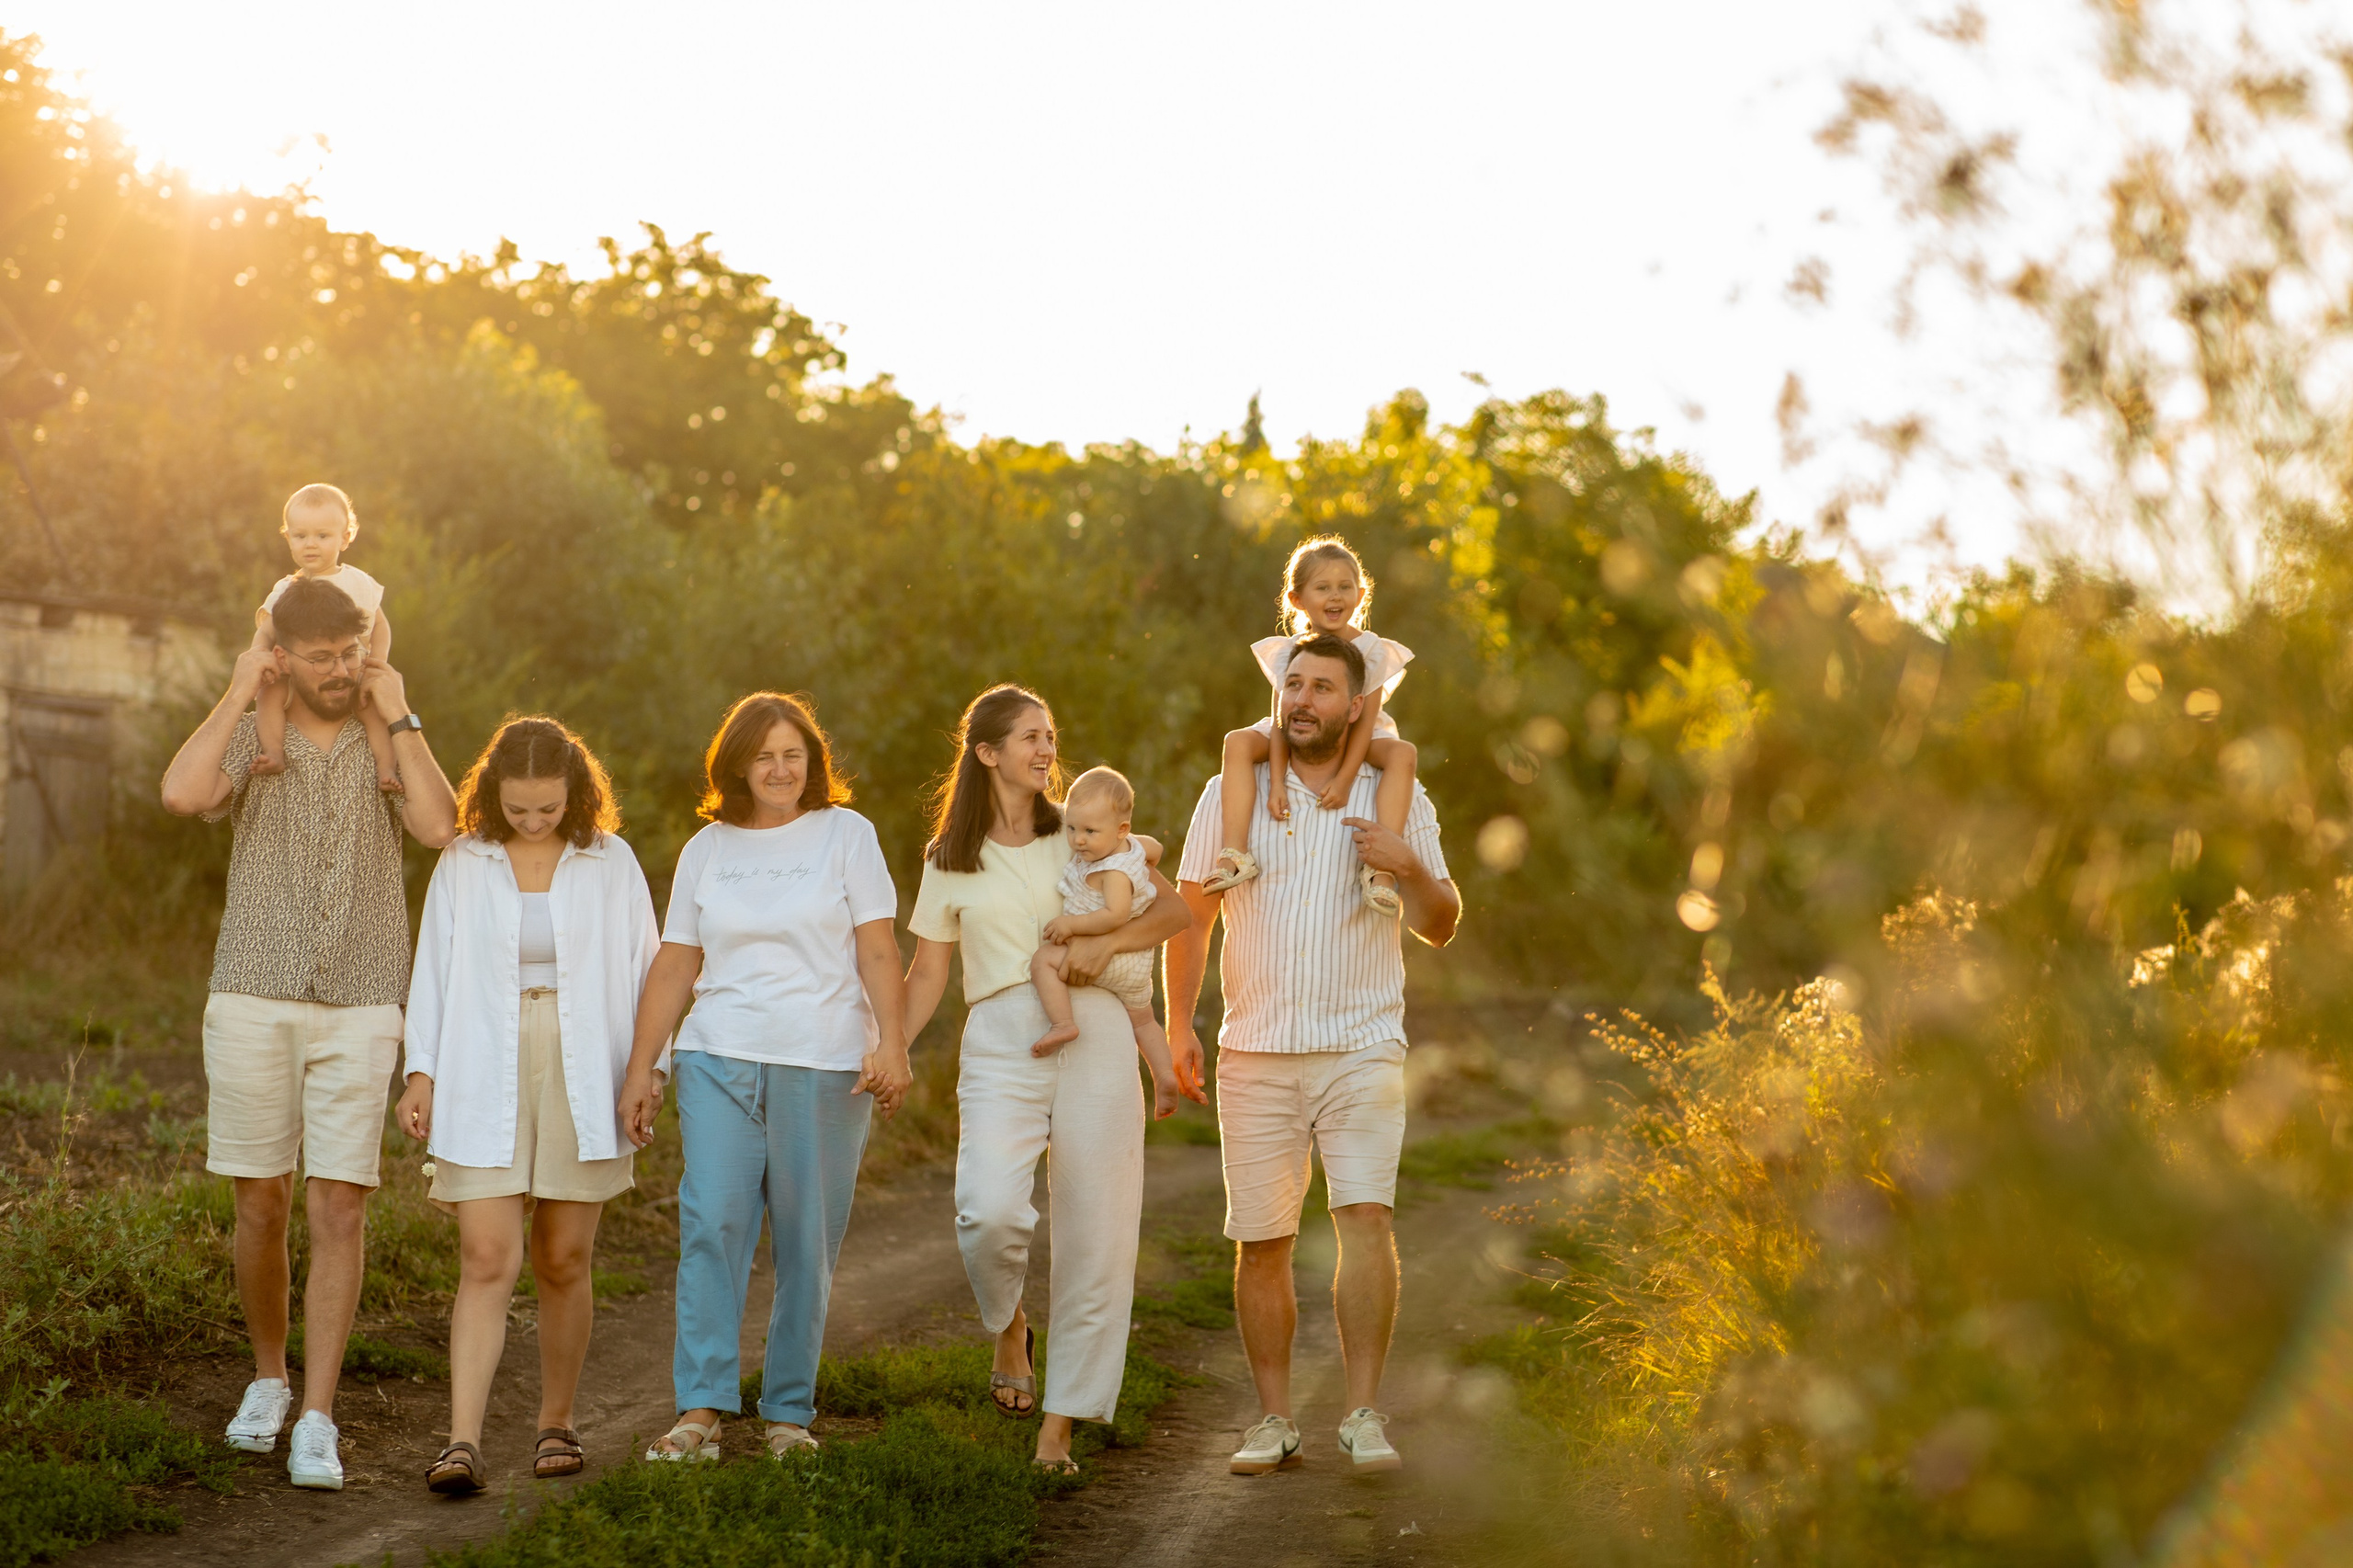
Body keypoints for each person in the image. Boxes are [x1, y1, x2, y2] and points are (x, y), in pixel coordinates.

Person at [158, 575, 460, 1490]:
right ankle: (268, 1377)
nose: (342, 670)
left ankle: (319, 1414)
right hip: (253, 991)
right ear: (285, 653)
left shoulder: (386, 735)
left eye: (353, 650)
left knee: (341, 1204)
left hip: (366, 999)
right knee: (263, 1200)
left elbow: (442, 825)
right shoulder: (259, 726)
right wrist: (241, 686)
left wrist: (401, 714)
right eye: (322, 656)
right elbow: (180, 793)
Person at [1166, 630, 1461, 1477]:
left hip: (1363, 1043)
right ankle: (1273, 1420)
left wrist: (1411, 869)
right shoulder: (1232, 791)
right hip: (1253, 1049)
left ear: (1358, 705)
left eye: (1323, 688)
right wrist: (1179, 1024)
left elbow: (1441, 924)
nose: (1302, 700)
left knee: (1365, 1217)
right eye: (1293, 684)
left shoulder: (1396, 793)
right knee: (1262, 1241)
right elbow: (1192, 917)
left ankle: (1364, 1413)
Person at [902, 686, 1195, 1471]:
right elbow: (928, 971)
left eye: (1051, 735)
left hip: (1094, 1029)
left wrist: (1109, 943)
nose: (1046, 749)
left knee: (1098, 1234)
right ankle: (1009, 1324)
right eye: (1030, 736)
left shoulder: (1081, 832)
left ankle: (1058, 1428)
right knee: (988, 1210)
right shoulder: (948, 858)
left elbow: (1174, 915)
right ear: (987, 752)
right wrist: (891, 1047)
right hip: (1000, 1037)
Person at [617, 692, 913, 1463]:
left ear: (812, 763)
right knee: (710, 1227)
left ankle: (787, 1414)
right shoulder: (706, 850)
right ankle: (703, 1411)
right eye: (764, 756)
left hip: (824, 1063)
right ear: (737, 765)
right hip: (718, 1057)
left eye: (794, 755)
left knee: (806, 1243)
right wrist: (646, 1065)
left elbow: (878, 947)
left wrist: (894, 1043)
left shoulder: (848, 835)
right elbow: (676, 962)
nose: (780, 770)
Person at [396, 717, 659, 1494]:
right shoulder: (465, 861)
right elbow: (435, 969)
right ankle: (462, 1442)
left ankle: (557, 1421)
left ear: (575, 793)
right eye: (519, 810)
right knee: (487, 1257)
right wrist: (422, 1073)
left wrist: (649, 1072)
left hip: (589, 1062)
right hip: (482, 1057)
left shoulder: (610, 861)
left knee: (561, 1258)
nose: (536, 821)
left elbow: (651, 971)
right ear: (493, 795)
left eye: (549, 809)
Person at [1203, 536, 1418, 917]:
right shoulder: (1289, 649)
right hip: (1303, 727)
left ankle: (1381, 872)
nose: (1335, 597)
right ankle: (1235, 853)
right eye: (1323, 588)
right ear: (1298, 599)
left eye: (1344, 587)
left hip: (1357, 732)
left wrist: (1346, 778)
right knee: (1236, 741)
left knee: (1403, 754)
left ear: (1361, 593)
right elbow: (1282, 720)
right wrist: (1279, 782)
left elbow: (1365, 722)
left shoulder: (1371, 649)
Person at [1027, 765, 1184, 1121]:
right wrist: (1139, 847)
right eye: (1072, 828)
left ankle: (1062, 1023)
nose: (1079, 840)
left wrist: (1071, 924)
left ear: (1121, 829)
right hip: (1136, 965)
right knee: (1144, 1022)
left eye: (1090, 831)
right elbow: (1154, 847)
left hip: (1109, 955)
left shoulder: (1111, 869)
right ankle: (1163, 1076)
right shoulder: (1128, 848)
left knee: (1043, 962)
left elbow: (1115, 915)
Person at [245, 483, 400, 792]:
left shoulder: (359, 583)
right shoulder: (287, 589)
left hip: (351, 670)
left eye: (322, 536)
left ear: (346, 538)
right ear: (288, 537)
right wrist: (258, 661)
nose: (310, 545)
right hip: (300, 674)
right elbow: (266, 632)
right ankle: (274, 751)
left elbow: (380, 626)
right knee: (269, 694)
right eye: (300, 536)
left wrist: (377, 662)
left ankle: (387, 769)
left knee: (374, 710)